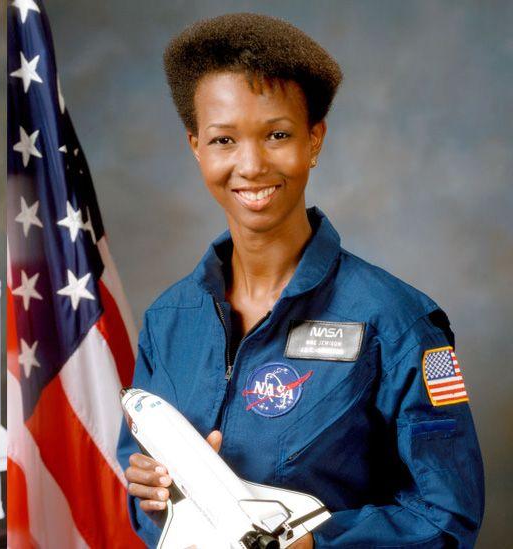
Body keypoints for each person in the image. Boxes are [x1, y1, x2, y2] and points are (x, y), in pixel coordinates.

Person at [118, 13, 484, 548]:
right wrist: (152, 494)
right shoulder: (168, 322)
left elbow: (448, 516)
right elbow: (141, 485)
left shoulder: (398, 322)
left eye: (278, 134)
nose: (251, 164)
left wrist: (318, 544)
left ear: (314, 140)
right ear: (195, 145)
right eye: (223, 140)